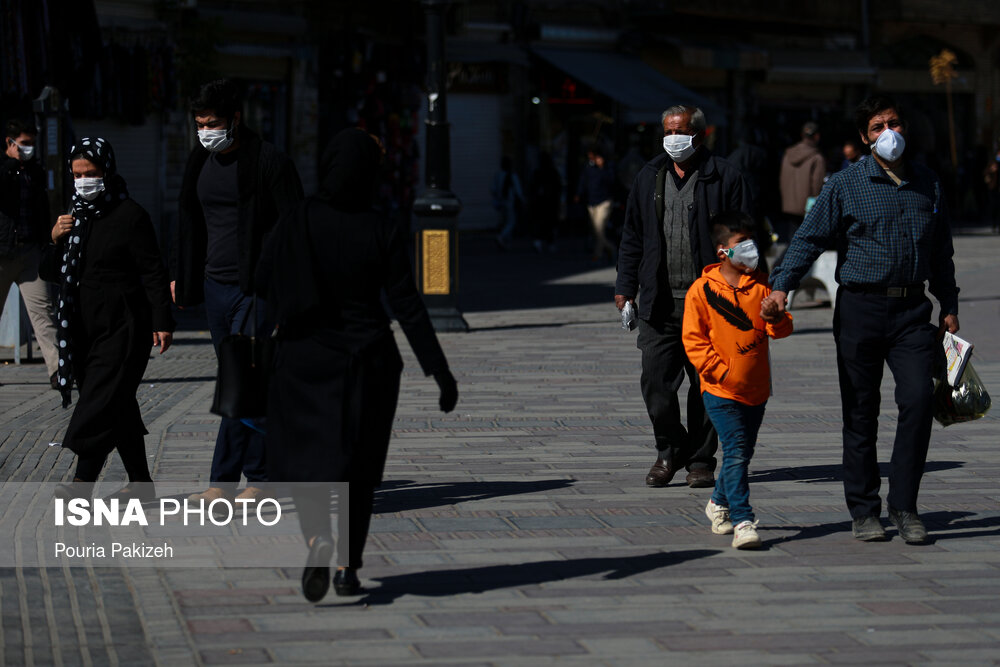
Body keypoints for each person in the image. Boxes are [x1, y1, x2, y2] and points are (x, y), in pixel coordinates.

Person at [256, 128, 458, 602]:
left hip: (303, 360)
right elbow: (406, 303)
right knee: (360, 470)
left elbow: (261, 280)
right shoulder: (381, 226)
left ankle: (316, 539)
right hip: (368, 363)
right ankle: (347, 567)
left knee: (309, 464)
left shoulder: (296, 219)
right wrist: (439, 371)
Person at [764, 95, 960, 544]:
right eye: (877, 126)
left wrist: (948, 303)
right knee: (860, 410)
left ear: (906, 128)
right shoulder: (846, 184)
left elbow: (941, 253)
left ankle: (905, 505)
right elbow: (809, 238)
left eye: (893, 123)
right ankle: (864, 509)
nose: (887, 132)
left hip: (913, 312)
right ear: (863, 137)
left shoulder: (929, 184)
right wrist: (781, 286)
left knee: (918, 400)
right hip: (860, 310)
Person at [170, 79, 304, 505]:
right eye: (199, 124)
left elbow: (296, 228)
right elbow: (190, 222)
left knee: (238, 381)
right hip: (215, 289)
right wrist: (183, 274)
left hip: (255, 290)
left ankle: (230, 483)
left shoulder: (268, 162)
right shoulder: (199, 161)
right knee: (243, 384)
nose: (205, 131)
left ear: (235, 119)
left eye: (212, 123)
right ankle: (260, 476)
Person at [615, 104, 751, 489]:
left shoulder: (725, 176)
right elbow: (632, 236)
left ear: (700, 135)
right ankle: (669, 449)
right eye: (667, 131)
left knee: (706, 383)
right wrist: (625, 288)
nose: (673, 138)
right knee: (656, 384)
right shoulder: (649, 175)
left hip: (710, 302)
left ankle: (701, 459)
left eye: (681, 130)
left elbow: (743, 240)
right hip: (660, 301)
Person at [43, 137, 174, 501]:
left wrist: (162, 320)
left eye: (92, 173)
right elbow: (50, 271)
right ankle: (142, 485)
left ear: (107, 172)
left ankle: (82, 484)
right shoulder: (73, 217)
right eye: (77, 174)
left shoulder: (130, 215)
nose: (84, 181)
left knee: (99, 403)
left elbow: (152, 271)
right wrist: (55, 239)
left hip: (124, 327)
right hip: (82, 329)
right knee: (118, 405)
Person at [682, 211, 793, 549]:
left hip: (757, 388)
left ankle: (718, 503)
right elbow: (693, 340)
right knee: (736, 449)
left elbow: (783, 329)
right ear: (722, 251)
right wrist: (720, 371)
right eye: (740, 244)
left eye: (751, 242)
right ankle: (743, 519)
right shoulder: (701, 290)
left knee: (741, 453)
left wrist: (774, 317)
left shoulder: (762, 285)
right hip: (720, 390)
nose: (749, 249)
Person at [0, 118, 61, 388]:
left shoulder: (34, 171)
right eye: (23, 144)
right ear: (9, 143)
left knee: (43, 313)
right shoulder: (3, 168)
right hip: (3, 253)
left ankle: (58, 371)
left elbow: (42, 207)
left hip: (30, 253)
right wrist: (12, 165)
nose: (28, 149)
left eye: (32, 145)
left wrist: (46, 242)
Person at [779, 121, 825, 240]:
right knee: (804, 241)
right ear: (817, 136)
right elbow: (817, 185)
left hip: (788, 204)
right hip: (807, 206)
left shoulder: (788, 154)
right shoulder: (817, 157)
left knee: (792, 237)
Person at [575, 147, 617, 263]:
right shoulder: (588, 167)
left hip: (604, 202)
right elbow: (583, 181)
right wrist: (579, 193)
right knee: (596, 230)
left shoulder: (607, 167)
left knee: (599, 228)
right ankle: (609, 248)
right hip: (591, 202)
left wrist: (602, 168)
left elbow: (612, 181)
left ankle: (598, 254)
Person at [529, 152, 561, 253]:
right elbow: (558, 187)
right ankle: (549, 243)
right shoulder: (552, 172)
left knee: (540, 222)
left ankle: (538, 242)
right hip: (550, 202)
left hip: (540, 202)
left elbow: (532, 187)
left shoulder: (537, 172)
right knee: (549, 223)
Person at [491, 156, 524, 250]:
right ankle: (501, 237)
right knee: (511, 222)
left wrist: (497, 197)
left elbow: (493, 189)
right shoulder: (512, 176)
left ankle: (506, 243)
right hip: (510, 202)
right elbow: (518, 191)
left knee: (505, 221)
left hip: (501, 202)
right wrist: (522, 200)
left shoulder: (498, 175)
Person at [984, 148, 1000, 233]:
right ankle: (994, 224)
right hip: (993, 188)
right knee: (994, 206)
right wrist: (991, 170)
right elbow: (985, 173)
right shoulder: (993, 163)